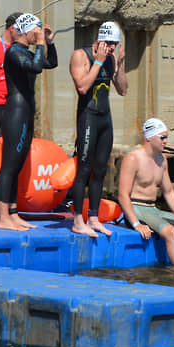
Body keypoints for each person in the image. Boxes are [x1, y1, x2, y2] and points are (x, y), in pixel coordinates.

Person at [117, 117, 174, 267]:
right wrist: (136, 224)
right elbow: (122, 195)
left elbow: (169, 192)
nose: (166, 141)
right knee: (171, 232)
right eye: (162, 137)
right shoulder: (133, 158)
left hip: (153, 209)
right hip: (136, 208)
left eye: (166, 137)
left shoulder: (161, 159)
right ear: (148, 137)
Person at [0, 13, 57, 230]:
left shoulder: (27, 53)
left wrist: (49, 42)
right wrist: (40, 44)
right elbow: (36, 67)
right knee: (9, 166)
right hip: (16, 111)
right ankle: (2, 217)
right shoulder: (13, 52)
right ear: (26, 30)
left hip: (27, 111)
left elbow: (51, 63)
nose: (37, 36)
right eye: (36, 32)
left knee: (18, 165)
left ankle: (12, 212)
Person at [69, 20, 127, 237]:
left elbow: (122, 89)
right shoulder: (80, 56)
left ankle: (93, 217)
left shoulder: (112, 58)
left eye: (115, 44)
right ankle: (77, 220)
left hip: (105, 120)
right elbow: (83, 87)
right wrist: (99, 62)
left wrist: (118, 64)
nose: (111, 47)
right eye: (109, 43)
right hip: (88, 118)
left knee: (101, 170)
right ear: (100, 39)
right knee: (83, 169)